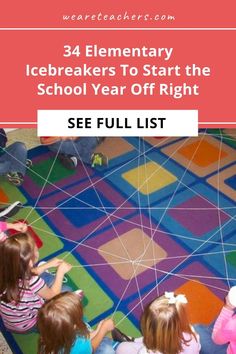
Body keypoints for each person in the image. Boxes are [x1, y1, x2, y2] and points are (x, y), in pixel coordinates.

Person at [0, 232, 72, 333]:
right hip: (31, 324)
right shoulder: (32, 281)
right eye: (35, 249)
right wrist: (60, 272)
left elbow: (26, 273)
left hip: (11, 322)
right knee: (67, 292)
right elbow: (53, 295)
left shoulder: (5, 268)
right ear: (30, 262)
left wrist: (46, 265)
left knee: (41, 277)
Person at [115, 292, 201, 354]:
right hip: (161, 344)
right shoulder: (191, 335)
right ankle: (135, 341)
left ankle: (137, 341)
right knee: (123, 347)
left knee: (121, 348)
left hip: (154, 348)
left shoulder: (148, 351)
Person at [37, 291, 115, 354]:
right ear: (73, 326)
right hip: (84, 349)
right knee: (108, 351)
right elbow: (91, 349)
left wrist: (98, 330)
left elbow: (85, 339)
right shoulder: (80, 346)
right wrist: (103, 330)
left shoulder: (48, 335)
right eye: (78, 316)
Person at [40, 136, 108, 170]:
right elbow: (43, 141)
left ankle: (69, 155)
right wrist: (60, 137)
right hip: (59, 142)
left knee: (92, 139)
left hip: (77, 140)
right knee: (60, 145)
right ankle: (91, 157)